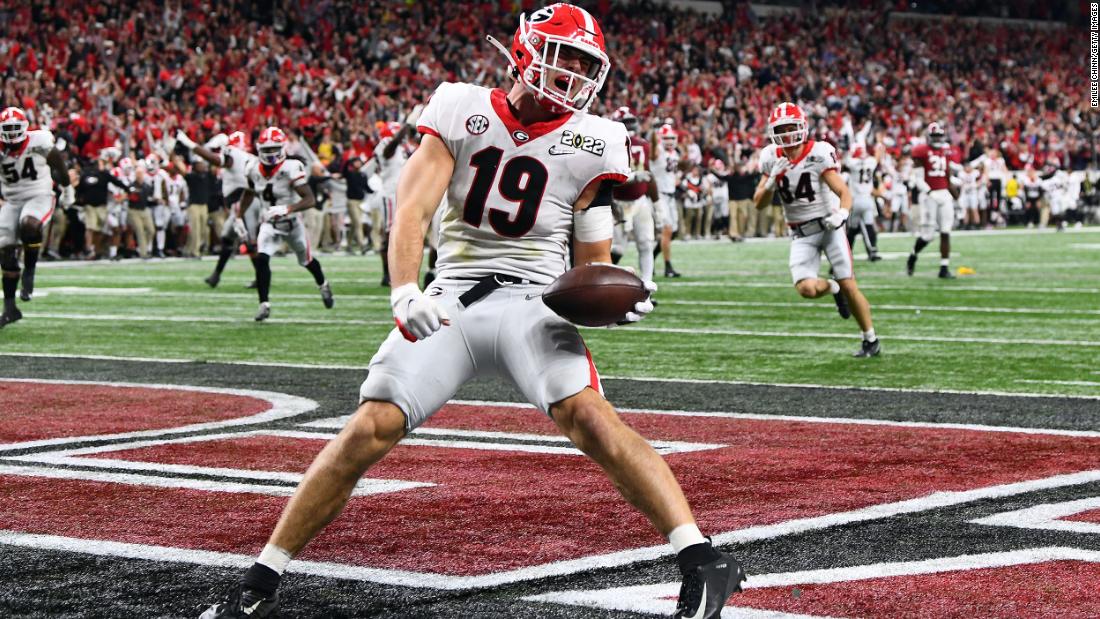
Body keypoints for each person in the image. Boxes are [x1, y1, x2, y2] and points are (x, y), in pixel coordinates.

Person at [200, 6, 744, 619]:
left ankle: (704, 559)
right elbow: (412, 209)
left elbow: (590, 263)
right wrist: (405, 289)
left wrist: (611, 302)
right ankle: (261, 580)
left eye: (584, 64)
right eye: (561, 55)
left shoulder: (599, 141)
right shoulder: (460, 106)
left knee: (588, 416)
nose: (571, 74)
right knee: (368, 428)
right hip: (452, 293)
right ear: (522, 49)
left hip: (535, 301)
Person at [752, 102, 881, 358]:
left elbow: (843, 192)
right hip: (800, 232)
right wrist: (769, 184)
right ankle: (833, 289)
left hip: (828, 226)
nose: (788, 134)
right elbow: (759, 204)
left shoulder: (818, 153)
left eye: (792, 127)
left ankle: (870, 339)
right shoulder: (770, 157)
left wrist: (842, 214)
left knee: (849, 283)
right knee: (806, 289)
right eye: (782, 129)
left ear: (802, 127)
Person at [237, 126, 333, 322]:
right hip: (270, 223)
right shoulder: (252, 168)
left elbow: (310, 199)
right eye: (267, 150)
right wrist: (239, 215)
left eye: (274, 149)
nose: (271, 154)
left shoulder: (291, 167)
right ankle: (264, 303)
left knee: (306, 261)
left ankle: (323, 284)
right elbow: (248, 192)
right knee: (262, 259)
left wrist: (288, 209)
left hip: (292, 224)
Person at [0, 106, 70, 325]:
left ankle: (29, 270)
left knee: (29, 225)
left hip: (39, 194)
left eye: (15, 128)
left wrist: (67, 188)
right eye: (7, 129)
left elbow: (58, 162)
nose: (11, 134)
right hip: (12, 200)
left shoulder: (38, 140)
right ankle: (10, 309)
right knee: (5, 250)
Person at [182, 131, 260, 288]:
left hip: (246, 204)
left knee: (249, 244)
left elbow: (214, 159)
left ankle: (262, 277)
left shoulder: (236, 157)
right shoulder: (250, 159)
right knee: (227, 238)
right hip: (242, 205)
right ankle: (216, 275)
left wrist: (190, 144)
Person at [906, 122, 961, 279]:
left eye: (939, 136)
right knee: (928, 235)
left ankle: (944, 268)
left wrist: (957, 197)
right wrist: (930, 192)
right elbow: (918, 179)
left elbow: (947, 176)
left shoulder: (945, 151)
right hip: (929, 195)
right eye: (935, 136)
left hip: (944, 194)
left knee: (946, 231)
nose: (937, 139)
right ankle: (913, 255)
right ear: (929, 137)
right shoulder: (921, 151)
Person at [609, 105, 657, 282]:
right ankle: (608, 284)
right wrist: (634, 176)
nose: (629, 127)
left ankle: (647, 285)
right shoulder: (610, 146)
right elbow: (610, 177)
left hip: (639, 201)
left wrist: (657, 205)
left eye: (631, 122)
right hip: (616, 202)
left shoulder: (644, 145)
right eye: (625, 123)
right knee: (616, 248)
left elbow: (649, 175)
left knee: (646, 243)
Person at [651, 123, 682, 276]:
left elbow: (672, 172)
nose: (669, 140)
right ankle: (668, 267)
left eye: (671, 137)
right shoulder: (658, 151)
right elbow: (653, 153)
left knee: (674, 232)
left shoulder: (674, 153)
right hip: (660, 195)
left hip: (670, 195)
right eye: (666, 138)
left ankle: (651, 257)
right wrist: (654, 137)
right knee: (667, 230)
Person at [845, 143, 881, 261]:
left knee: (852, 228)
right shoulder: (871, 161)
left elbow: (846, 160)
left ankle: (847, 252)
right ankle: (873, 250)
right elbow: (877, 157)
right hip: (868, 199)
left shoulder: (853, 163)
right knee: (869, 225)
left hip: (856, 199)